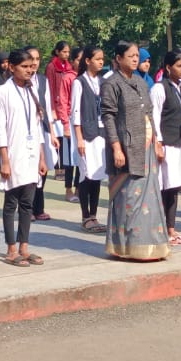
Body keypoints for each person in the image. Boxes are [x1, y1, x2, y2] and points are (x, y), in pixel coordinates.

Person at [99, 40, 168, 259]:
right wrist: (116, 148)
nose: (135, 59)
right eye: (131, 56)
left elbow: (149, 114)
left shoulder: (141, 82)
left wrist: (157, 141)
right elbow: (108, 117)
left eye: (137, 55)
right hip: (126, 149)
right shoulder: (111, 83)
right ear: (118, 59)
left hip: (146, 147)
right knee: (128, 198)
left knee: (150, 198)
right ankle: (126, 247)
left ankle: (151, 246)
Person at [0, 48, 47, 267]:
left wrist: (42, 158)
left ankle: (24, 246)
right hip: (14, 154)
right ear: (12, 67)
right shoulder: (4, 92)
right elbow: (0, 129)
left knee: (27, 203)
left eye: (31, 67)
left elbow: (37, 127)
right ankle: (11, 249)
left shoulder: (31, 89)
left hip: (31, 153)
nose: (29, 70)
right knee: (11, 203)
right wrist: (5, 160)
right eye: (24, 67)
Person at [150, 49, 181, 245]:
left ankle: (171, 228)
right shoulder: (159, 89)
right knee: (164, 187)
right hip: (166, 144)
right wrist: (158, 143)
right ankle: (159, 229)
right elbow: (154, 118)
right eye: (179, 66)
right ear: (168, 68)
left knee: (175, 187)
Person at [70, 46, 107, 231]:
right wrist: (79, 138)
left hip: (101, 134)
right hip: (86, 135)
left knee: (97, 176)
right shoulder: (79, 82)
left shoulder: (102, 82)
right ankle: (85, 216)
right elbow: (75, 113)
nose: (101, 62)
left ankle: (94, 215)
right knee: (86, 175)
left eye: (102, 59)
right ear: (87, 61)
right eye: (97, 59)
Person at [25, 46, 57, 222]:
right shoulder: (20, 81)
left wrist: (52, 133)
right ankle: (27, 208)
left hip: (43, 128)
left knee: (43, 167)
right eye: (32, 59)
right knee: (30, 168)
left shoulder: (43, 80)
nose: (35, 62)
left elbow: (48, 107)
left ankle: (39, 207)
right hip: (27, 130)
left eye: (37, 59)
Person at [48, 41, 77, 202]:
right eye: (64, 51)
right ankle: (60, 171)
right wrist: (53, 108)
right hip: (58, 107)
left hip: (69, 111)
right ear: (57, 52)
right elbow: (51, 88)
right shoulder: (52, 67)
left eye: (68, 52)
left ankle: (76, 187)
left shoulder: (70, 68)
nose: (66, 54)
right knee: (61, 142)